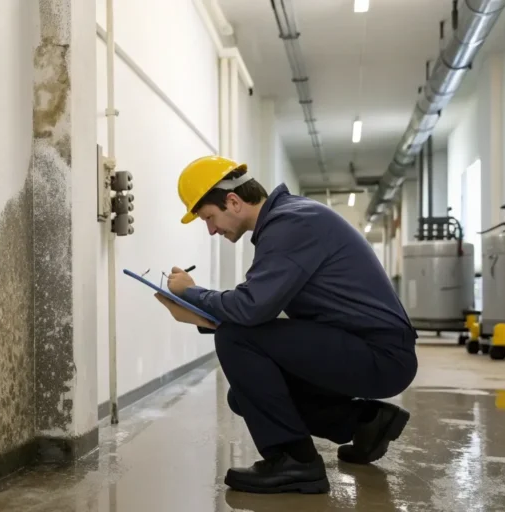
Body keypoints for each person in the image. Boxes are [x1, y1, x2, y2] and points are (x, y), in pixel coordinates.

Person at [153, 155, 418, 495]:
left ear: (232, 201)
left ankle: (295, 462)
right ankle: (366, 422)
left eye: (208, 217)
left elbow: (251, 308)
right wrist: (198, 314)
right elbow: (261, 312)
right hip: (363, 346)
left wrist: (191, 292)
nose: (211, 230)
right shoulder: (289, 220)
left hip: (380, 354)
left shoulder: (292, 224)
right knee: (244, 396)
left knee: (235, 337)